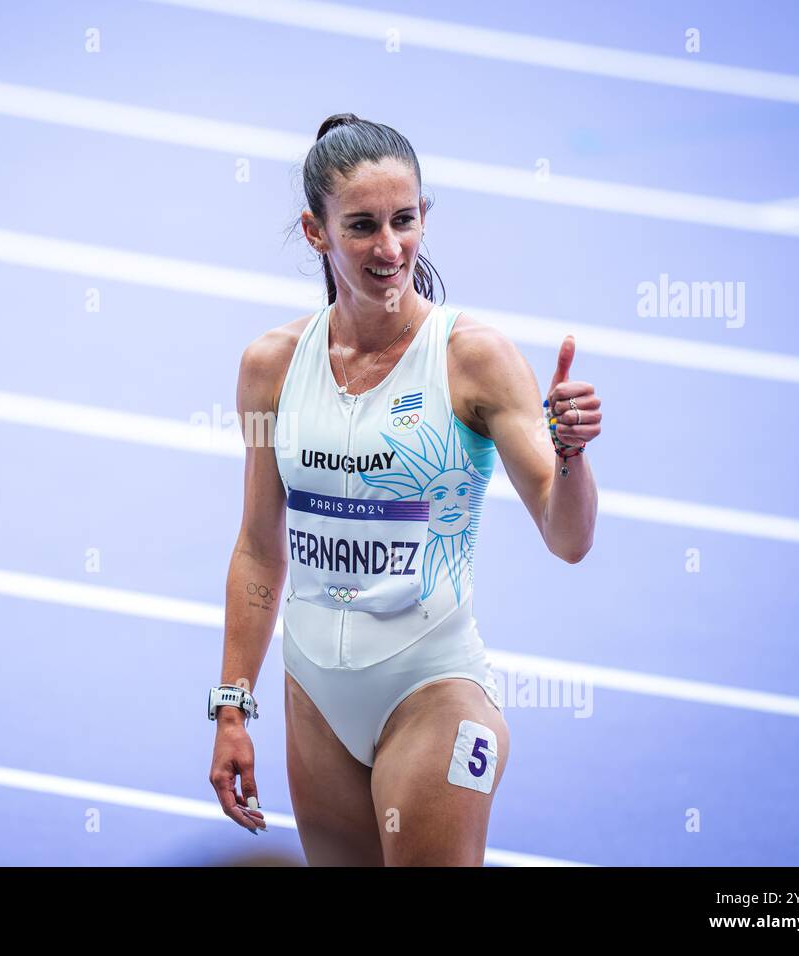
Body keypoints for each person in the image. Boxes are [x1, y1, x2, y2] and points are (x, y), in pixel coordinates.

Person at [208, 113, 601, 866]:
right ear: (315, 231)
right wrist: (232, 705)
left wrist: (573, 456)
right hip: (314, 696)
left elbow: (569, 536)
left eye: (404, 220)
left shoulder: (473, 360)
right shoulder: (270, 368)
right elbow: (260, 548)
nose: (390, 249)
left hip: (433, 693)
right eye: (361, 226)